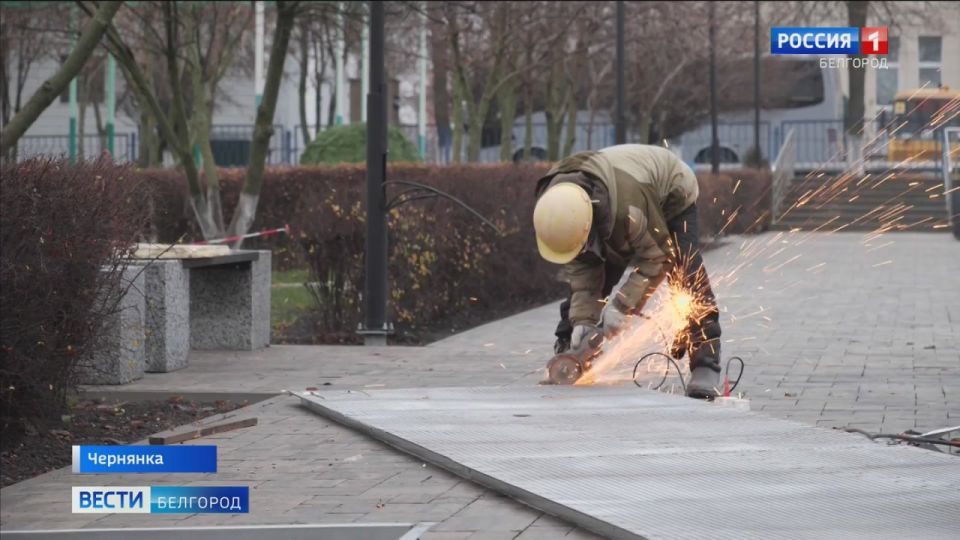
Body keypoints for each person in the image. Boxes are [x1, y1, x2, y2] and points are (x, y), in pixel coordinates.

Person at [532, 144, 722, 398]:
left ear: (588, 225)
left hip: (669, 194)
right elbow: (583, 276)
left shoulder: (628, 212)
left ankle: (705, 363)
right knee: (587, 286)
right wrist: (583, 321)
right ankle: (572, 350)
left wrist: (621, 307)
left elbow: (656, 258)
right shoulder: (559, 208)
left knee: (685, 270)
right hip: (613, 203)